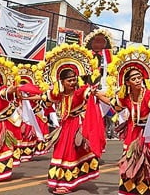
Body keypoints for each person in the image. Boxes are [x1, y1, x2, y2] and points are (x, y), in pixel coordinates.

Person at [98, 46, 150, 195]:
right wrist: (98, 95)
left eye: (139, 77)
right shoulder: (125, 97)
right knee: (131, 162)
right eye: (134, 78)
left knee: (148, 164)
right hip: (133, 134)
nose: (138, 80)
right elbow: (114, 105)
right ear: (127, 82)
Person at [40, 43, 105, 195]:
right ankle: (58, 180)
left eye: (74, 79)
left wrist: (109, 100)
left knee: (71, 153)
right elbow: (46, 100)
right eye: (69, 81)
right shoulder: (59, 93)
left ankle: (68, 183)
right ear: (61, 82)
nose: (72, 82)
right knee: (60, 152)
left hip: (77, 125)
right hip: (64, 127)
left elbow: (94, 95)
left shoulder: (80, 92)